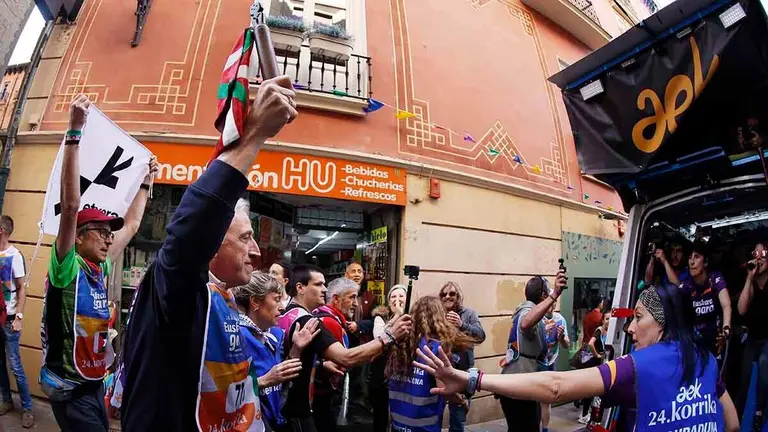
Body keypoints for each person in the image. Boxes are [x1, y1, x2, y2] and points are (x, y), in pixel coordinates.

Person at [120, 75, 298, 431]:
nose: (256, 251)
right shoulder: (177, 287)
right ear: (211, 243)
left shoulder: (227, 299)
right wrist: (255, 135)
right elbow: (193, 229)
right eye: (246, 238)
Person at [414, 283, 741, 432]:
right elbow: (732, 423)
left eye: (638, 317)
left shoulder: (637, 367)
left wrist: (472, 378)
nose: (629, 329)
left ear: (663, 322)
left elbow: (556, 386)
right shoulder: (706, 359)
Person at [42, 94, 156, 432]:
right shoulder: (67, 265)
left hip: (95, 385)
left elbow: (133, 224)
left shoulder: (101, 268)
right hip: (69, 389)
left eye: (110, 234)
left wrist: (147, 181)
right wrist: (75, 132)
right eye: (100, 232)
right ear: (78, 237)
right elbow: (72, 206)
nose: (108, 238)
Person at [278, 264, 412, 432]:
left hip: (286, 405)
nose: (325, 289)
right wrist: (389, 336)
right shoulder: (308, 321)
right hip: (297, 409)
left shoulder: (286, 313)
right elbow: (346, 357)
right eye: (318, 284)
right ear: (300, 288)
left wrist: (320, 364)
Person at [232, 272, 321, 432]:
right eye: (276, 299)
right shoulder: (236, 336)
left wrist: (296, 349)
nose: (283, 307)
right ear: (255, 302)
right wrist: (265, 380)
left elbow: (279, 378)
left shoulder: (274, 335)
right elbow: (227, 391)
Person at [386, 296, 476, 432]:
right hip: (424, 427)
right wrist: (462, 402)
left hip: (397, 424)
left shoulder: (400, 345)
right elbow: (443, 389)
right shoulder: (436, 349)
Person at [498, 270, 567, 432]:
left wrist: (546, 329)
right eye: (548, 294)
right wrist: (555, 294)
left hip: (519, 384)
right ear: (543, 296)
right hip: (520, 387)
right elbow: (525, 323)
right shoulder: (525, 312)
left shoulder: (527, 311)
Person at [311, 277, 360, 432]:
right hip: (321, 394)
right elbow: (341, 360)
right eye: (352, 297)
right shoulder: (330, 322)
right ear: (336, 299)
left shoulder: (327, 316)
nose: (356, 303)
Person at [439, 281, 486, 432]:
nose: (447, 296)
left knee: (458, 422)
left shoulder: (469, 314)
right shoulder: (437, 315)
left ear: (458, 296)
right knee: (434, 415)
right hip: (440, 374)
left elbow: (480, 336)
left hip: (462, 374)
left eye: (452, 293)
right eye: (444, 294)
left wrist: (461, 325)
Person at [0, 215, 33, 428]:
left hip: (10, 320)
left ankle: (28, 408)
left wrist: (19, 317)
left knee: (15, 365)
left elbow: (22, 288)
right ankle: (6, 400)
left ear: (2, 230)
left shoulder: (14, 256)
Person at [681, 240, 731, 355]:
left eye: (696, 257)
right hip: (696, 343)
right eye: (689, 258)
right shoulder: (687, 285)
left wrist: (726, 330)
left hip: (718, 339)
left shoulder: (715, 278)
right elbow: (672, 300)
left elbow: (726, 305)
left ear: (706, 262)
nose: (691, 262)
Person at [737, 242, 768, 431]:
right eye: (755, 253)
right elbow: (741, 310)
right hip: (753, 338)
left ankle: (760, 413)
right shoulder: (751, 283)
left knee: (765, 362)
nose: (759, 257)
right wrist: (749, 278)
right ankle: (741, 416)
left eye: (763, 253)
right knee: (745, 372)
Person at [370, 285, 406, 432]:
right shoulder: (381, 317)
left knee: (400, 413)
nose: (397, 300)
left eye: (401, 296)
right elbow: (379, 337)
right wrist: (397, 316)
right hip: (382, 372)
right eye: (393, 297)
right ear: (388, 301)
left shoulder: (414, 317)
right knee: (380, 413)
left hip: (403, 372)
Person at [538, 301, 569, 432]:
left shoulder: (560, 319)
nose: (553, 305)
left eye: (555, 302)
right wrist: (543, 331)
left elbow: (567, 344)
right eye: (551, 302)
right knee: (533, 397)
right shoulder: (537, 318)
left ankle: (545, 429)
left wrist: (561, 338)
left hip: (551, 361)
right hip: (537, 362)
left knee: (547, 398)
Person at [579, 310, 610, 424]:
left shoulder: (608, 332)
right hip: (592, 363)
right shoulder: (599, 330)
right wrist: (597, 354)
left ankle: (590, 414)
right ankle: (584, 415)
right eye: (607, 319)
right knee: (590, 390)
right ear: (602, 320)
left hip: (600, 364)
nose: (609, 321)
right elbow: (591, 343)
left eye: (611, 319)